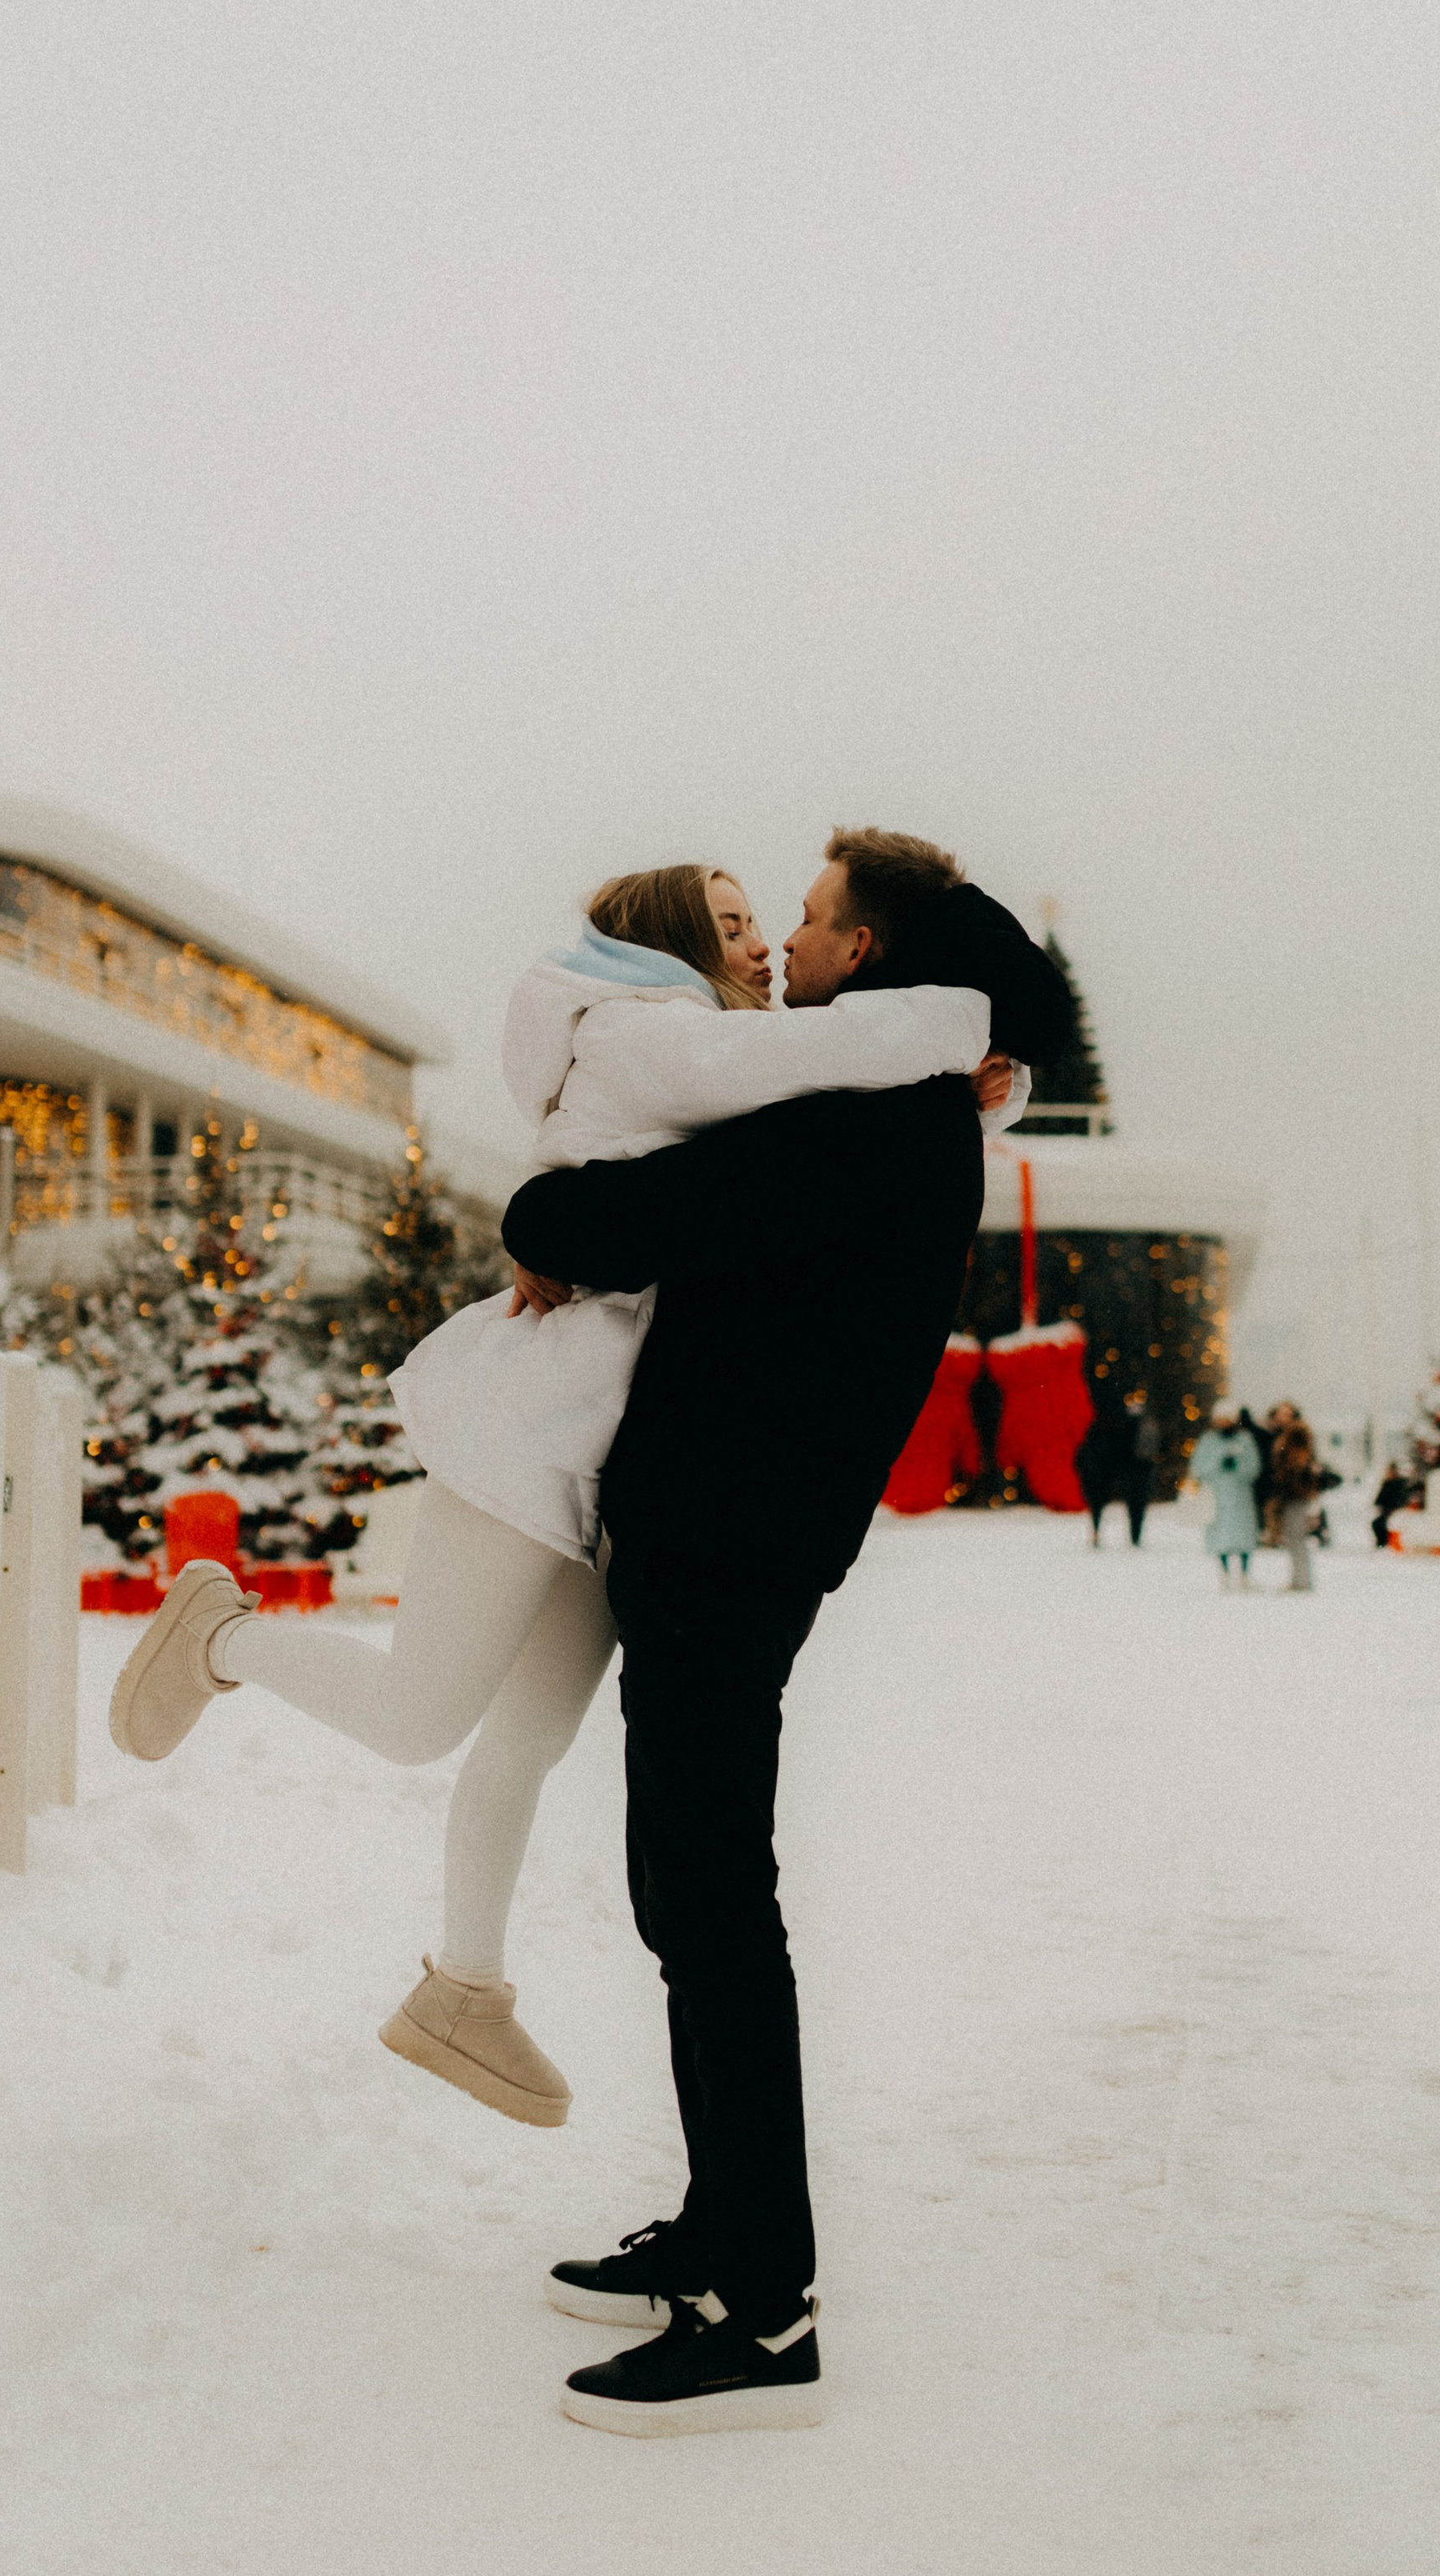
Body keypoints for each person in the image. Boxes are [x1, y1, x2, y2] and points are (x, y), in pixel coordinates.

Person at [105, 860, 1011, 2131]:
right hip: (526, 1427)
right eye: (740, 925)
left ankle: (462, 1994)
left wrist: (967, 1109)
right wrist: (944, 1028)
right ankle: (221, 1635)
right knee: (426, 1719)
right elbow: (776, 1087)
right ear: (674, 942)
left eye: (776, 924)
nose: (764, 948)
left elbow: (814, 1164)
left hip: (607, 1461)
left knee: (530, 1738)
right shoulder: (646, 1038)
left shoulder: (711, 1053)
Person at [501, 830, 1077, 2435]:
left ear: (873, 956)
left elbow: (620, 1215)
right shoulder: (881, 1109)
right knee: (682, 1891)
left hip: (735, 1539)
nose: (793, 946)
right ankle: (718, 2225)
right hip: (718, 1532)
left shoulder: (877, 1123)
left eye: (817, 921)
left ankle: (761, 2308)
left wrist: (543, 1213)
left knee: (715, 1905)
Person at [1072, 1389, 1160, 1545]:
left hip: (1119, 1473)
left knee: (1112, 1507)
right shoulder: (1138, 1428)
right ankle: (1133, 1536)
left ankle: (1121, 1535)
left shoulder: (1118, 1431)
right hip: (1126, 1473)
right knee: (1135, 1508)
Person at [1265, 1400, 1336, 1592]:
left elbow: (1297, 1463)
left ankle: (1301, 1581)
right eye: (1280, 1414)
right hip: (1293, 1491)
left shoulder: (1296, 1434)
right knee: (1294, 1538)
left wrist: (1286, 1479)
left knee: (1295, 1538)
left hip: (1295, 1492)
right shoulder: (1286, 1434)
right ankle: (1299, 1579)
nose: (1282, 1417)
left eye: (1286, 1414)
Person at [1190, 1400, 1262, 1588]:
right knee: (1220, 1537)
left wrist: (1238, 1466)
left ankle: (1245, 1575)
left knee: (1243, 1538)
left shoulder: (1244, 1440)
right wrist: (1218, 1464)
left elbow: (1254, 1468)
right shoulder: (1208, 1440)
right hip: (1217, 1496)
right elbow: (1198, 1467)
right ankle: (1225, 1574)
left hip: (1240, 1496)